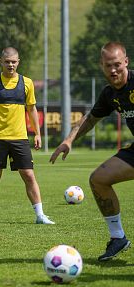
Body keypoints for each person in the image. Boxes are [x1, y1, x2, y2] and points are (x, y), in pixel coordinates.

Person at [50, 41, 133, 261]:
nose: (113, 70)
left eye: (117, 64)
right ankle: (118, 238)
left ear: (126, 62)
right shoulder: (109, 94)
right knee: (99, 180)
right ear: (102, 66)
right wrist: (69, 140)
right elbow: (90, 119)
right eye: (108, 65)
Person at [0, 47, 54, 226]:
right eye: (7, 61)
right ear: (1, 62)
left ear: (18, 62)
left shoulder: (27, 83)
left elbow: (32, 109)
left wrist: (37, 133)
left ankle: (40, 215)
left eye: (13, 61)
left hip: (20, 138)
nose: (10, 65)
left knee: (28, 175)